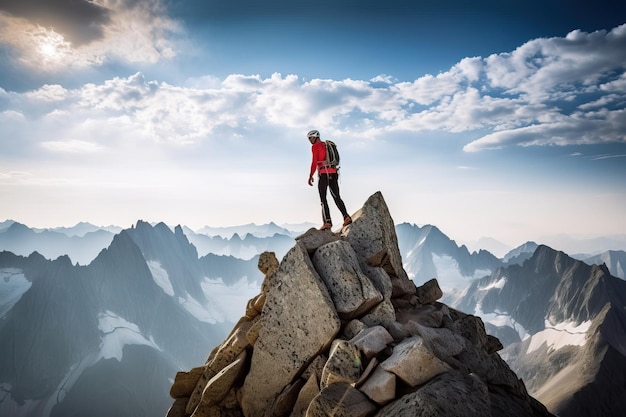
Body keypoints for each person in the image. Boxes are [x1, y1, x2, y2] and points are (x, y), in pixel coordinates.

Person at [307, 129, 352, 230]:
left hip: (324, 174)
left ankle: (327, 222)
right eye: (309, 138)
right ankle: (346, 217)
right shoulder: (326, 145)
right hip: (334, 173)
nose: (310, 140)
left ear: (316, 137)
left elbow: (314, 162)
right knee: (336, 196)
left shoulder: (315, 146)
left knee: (323, 199)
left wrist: (310, 176)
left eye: (311, 138)